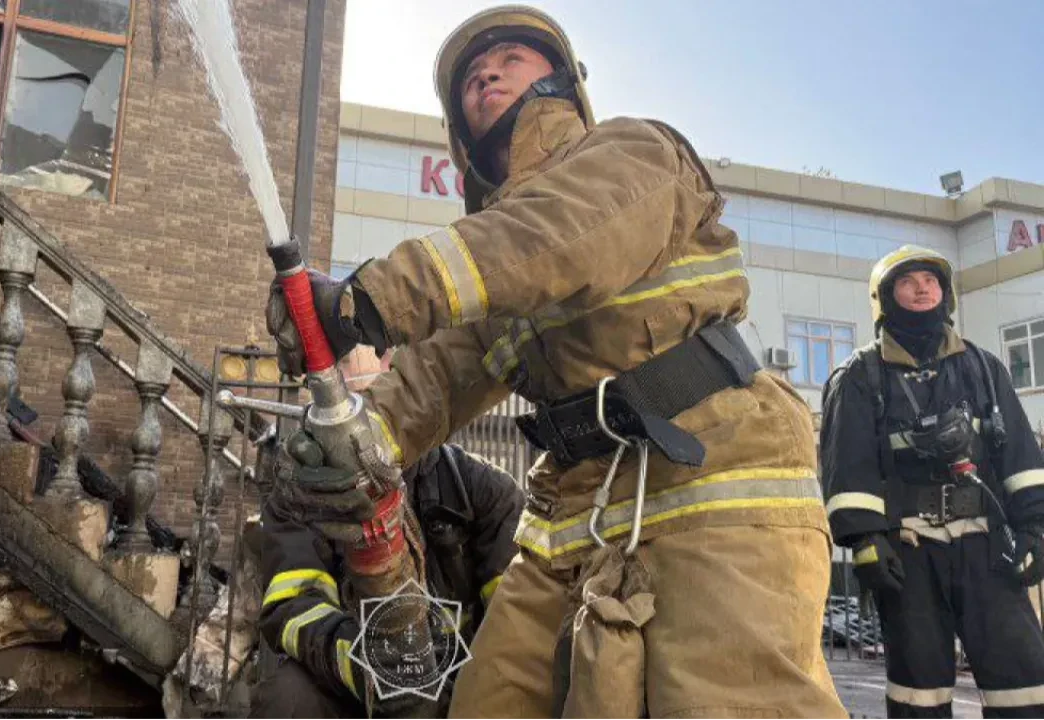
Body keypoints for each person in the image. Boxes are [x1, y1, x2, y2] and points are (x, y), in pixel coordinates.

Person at [266, 5, 846, 719]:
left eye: (511, 56)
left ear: (565, 83)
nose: (487, 71)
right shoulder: (496, 269)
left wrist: (368, 298)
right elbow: (438, 377)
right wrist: (345, 446)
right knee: (489, 704)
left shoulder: (632, 153)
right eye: (472, 77)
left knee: (725, 702)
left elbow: (558, 235)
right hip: (575, 506)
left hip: (716, 479)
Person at [820, 245, 1044, 719]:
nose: (922, 288)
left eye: (931, 280)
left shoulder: (984, 368)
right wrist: (865, 543)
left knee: (1025, 681)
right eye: (908, 281)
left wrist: (1036, 528)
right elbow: (848, 466)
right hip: (908, 555)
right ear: (884, 298)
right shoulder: (860, 377)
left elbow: (1021, 457)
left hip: (988, 550)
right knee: (919, 692)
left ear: (946, 294)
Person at [251, 348, 524, 720]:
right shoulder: (299, 500)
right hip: (354, 684)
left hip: (463, 686)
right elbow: (293, 607)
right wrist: (372, 664)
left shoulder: (483, 492)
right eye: (343, 362)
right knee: (288, 697)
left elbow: (518, 623)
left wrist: (464, 688)